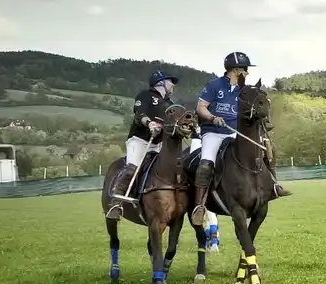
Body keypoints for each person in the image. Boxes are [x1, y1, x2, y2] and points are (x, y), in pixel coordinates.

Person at [190, 51, 290, 224]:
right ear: (235, 70)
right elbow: (200, 107)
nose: (247, 73)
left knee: (267, 150)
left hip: (236, 132)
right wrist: (213, 118)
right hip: (213, 132)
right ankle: (199, 206)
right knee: (205, 165)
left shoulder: (244, 90)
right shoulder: (214, 85)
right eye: (245, 69)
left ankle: (274, 186)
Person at [106, 69, 178, 219]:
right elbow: (139, 114)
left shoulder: (170, 104)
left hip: (159, 144)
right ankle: (116, 203)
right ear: (160, 82)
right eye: (170, 81)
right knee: (132, 169)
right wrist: (150, 123)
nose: (173, 85)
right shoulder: (145, 96)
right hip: (140, 140)